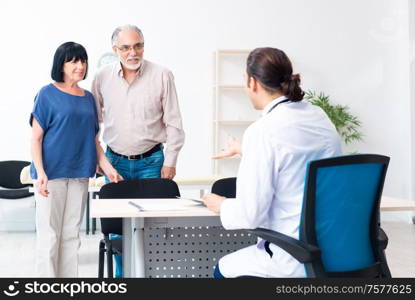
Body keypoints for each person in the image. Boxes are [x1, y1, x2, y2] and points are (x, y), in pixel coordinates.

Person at [203, 47, 342, 278]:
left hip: (295, 256)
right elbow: (297, 157)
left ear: (253, 83)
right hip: (336, 252)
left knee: (222, 269)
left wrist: (223, 205)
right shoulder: (319, 117)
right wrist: (245, 149)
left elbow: (251, 215)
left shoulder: (262, 131)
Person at [91, 24, 185, 277]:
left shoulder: (162, 74)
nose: (133, 52)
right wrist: (101, 160)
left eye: (138, 45)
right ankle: (123, 281)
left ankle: (151, 279)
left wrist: (171, 159)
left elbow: (174, 121)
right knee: (119, 233)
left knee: (154, 229)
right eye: (126, 47)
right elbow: (92, 124)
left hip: (152, 161)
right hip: (115, 162)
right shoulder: (101, 77)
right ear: (115, 49)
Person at [30, 42, 122, 277]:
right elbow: (36, 139)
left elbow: (93, 140)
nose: (80, 66)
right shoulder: (47, 94)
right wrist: (40, 173)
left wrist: (108, 167)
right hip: (50, 175)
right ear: (61, 64)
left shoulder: (88, 98)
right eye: (73, 61)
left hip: (80, 174)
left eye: (82, 61)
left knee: (71, 235)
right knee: (50, 236)